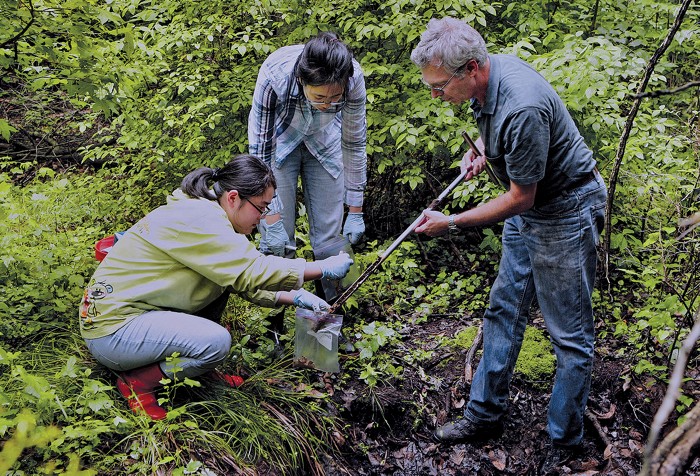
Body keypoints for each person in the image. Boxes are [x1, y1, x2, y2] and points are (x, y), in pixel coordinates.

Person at [410, 17, 607, 474]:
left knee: (568, 335)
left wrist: (453, 222)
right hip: (533, 210)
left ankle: (565, 441)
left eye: (440, 87)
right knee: (504, 308)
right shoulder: (490, 81)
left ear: (472, 68)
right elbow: (499, 131)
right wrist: (484, 146)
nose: (437, 96)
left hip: (565, 211)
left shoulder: (521, 107)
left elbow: (521, 196)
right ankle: (484, 415)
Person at [79, 154, 353, 420]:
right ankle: (138, 383)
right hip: (112, 330)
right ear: (234, 198)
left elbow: (239, 277)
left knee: (217, 294)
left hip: (130, 316)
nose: (262, 216)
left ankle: (196, 369)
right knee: (215, 342)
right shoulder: (201, 220)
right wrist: (319, 268)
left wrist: (295, 296)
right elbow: (251, 270)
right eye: (260, 207)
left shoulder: (211, 215)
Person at [248, 31, 367, 262]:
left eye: (335, 98)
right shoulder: (275, 75)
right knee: (279, 236)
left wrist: (356, 209)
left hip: (325, 141)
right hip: (279, 143)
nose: (327, 104)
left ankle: (337, 295)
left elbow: (354, 143)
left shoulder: (353, 79)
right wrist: (271, 217)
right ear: (303, 81)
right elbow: (260, 151)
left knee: (330, 237)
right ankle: (285, 294)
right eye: (320, 97)